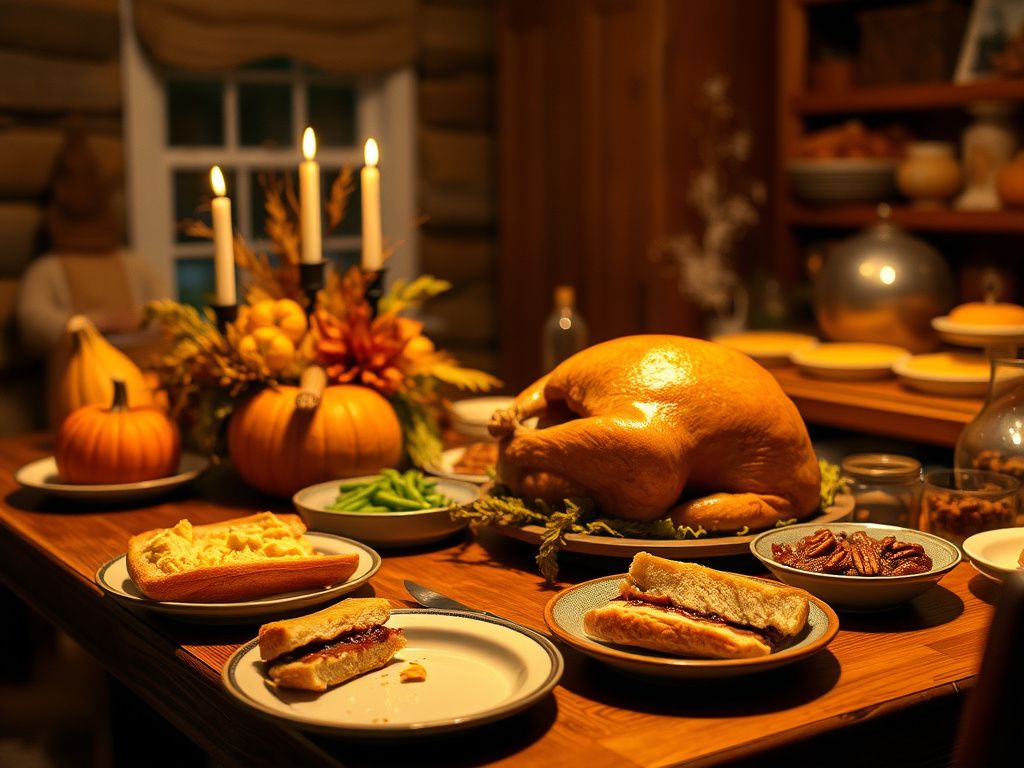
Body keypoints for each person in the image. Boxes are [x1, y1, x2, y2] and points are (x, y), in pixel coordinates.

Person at [15, 121, 163, 361]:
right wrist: (92, 322)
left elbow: (167, 312)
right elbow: (34, 322)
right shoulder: (47, 271)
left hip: (142, 369)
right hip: (80, 370)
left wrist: (137, 320)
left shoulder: (136, 267)